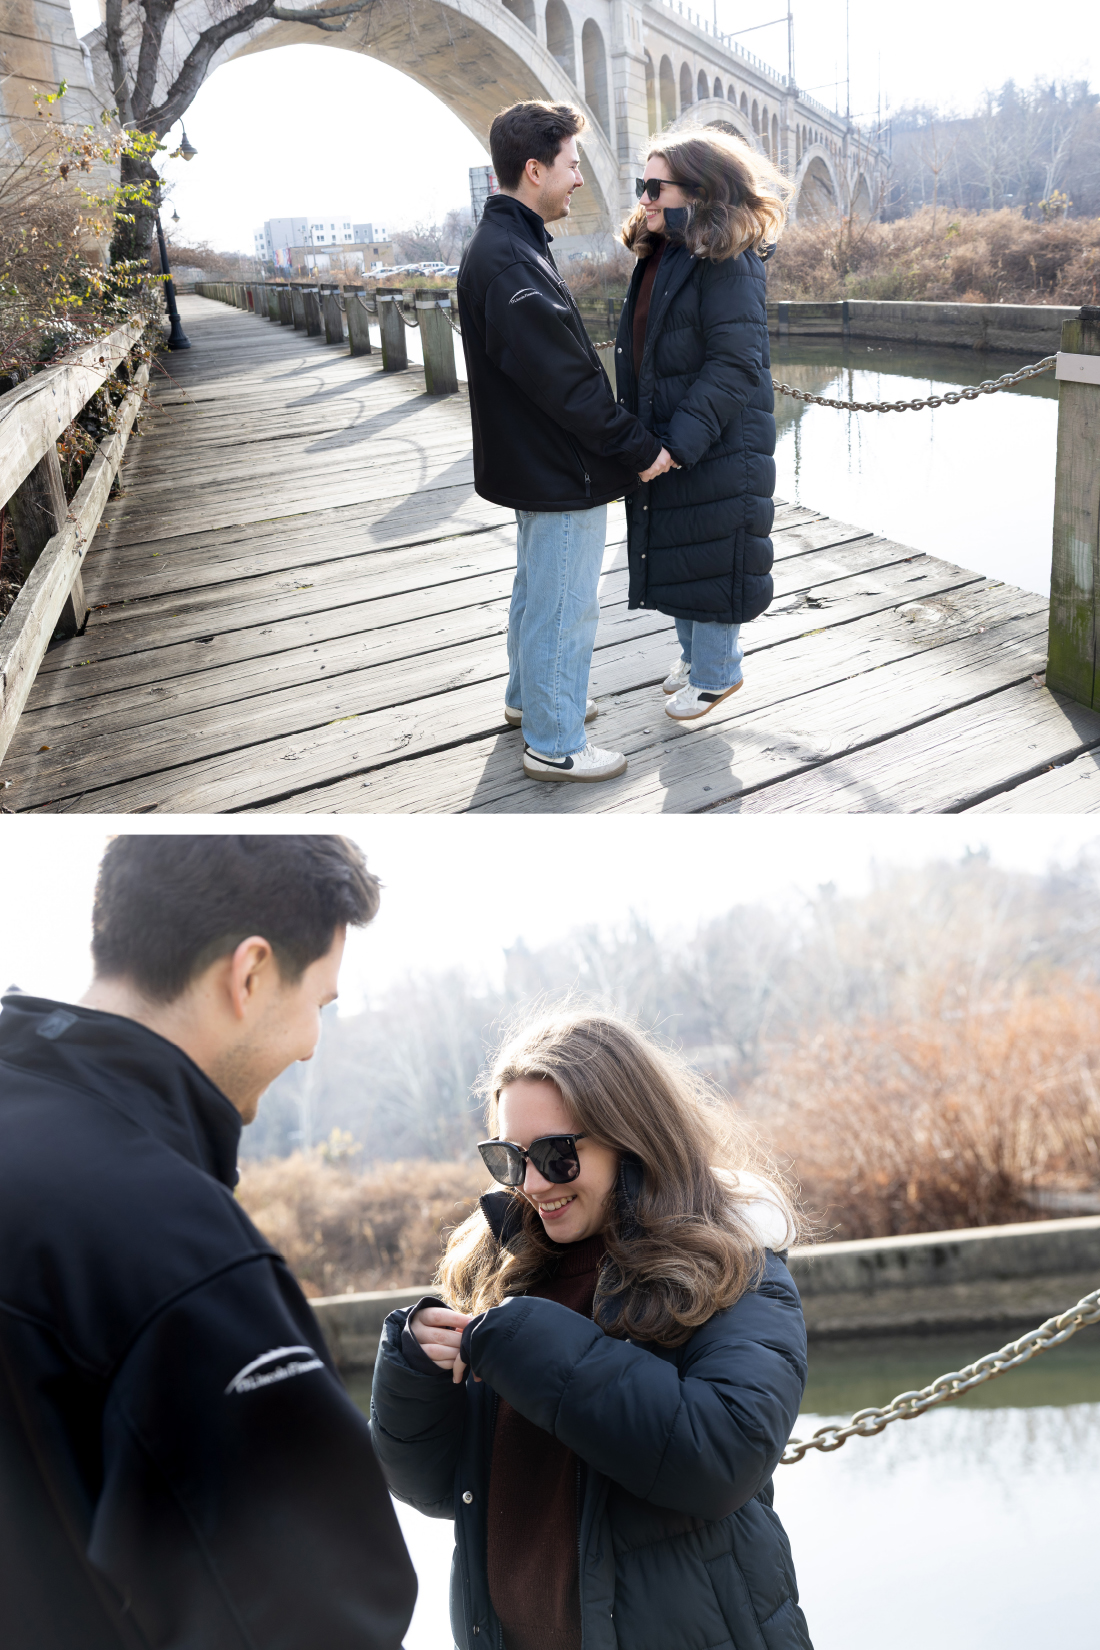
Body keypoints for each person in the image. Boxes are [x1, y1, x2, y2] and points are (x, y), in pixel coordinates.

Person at [0, 834, 417, 1650]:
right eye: (319, 1005)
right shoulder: (178, 1256)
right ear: (251, 972)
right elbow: (317, 1623)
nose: (310, 1041)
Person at [370, 1010, 812, 1650]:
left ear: (629, 1136)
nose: (534, 1184)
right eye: (510, 1159)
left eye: (557, 1154)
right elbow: (438, 1490)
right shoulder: (497, 1267)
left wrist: (531, 1345)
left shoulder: (731, 1263)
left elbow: (723, 1455)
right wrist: (412, 1373)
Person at [457, 101, 675, 785]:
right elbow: (569, 387)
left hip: (534, 462)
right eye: (571, 165)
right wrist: (639, 448)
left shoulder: (507, 247)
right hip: (557, 468)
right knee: (563, 603)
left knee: (536, 589)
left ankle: (533, 702)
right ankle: (555, 741)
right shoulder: (512, 262)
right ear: (533, 169)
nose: (579, 179)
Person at [617, 129, 789, 722]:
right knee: (683, 549)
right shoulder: (665, 253)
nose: (643, 198)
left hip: (715, 444)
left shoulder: (728, 261)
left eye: (654, 186)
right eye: (643, 185)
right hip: (673, 435)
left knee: (715, 550)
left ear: (699, 191)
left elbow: (735, 364)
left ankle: (719, 671)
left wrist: (677, 444)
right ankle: (694, 660)